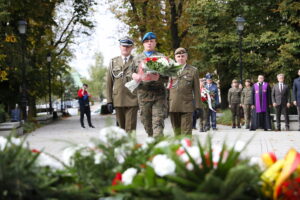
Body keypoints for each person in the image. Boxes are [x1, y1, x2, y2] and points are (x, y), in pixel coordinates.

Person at [134, 32, 168, 137]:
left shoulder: (162, 57)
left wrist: (159, 77)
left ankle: (158, 148)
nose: (149, 43)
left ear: (155, 43)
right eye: (147, 41)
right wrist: (133, 76)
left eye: (151, 41)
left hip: (159, 95)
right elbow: (128, 75)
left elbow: (168, 76)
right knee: (146, 123)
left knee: (157, 124)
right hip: (143, 96)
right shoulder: (136, 58)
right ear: (143, 44)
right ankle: (152, 142)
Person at [106, 36, 139, 133]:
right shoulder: (113, 62)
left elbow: (141, 81)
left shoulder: (136, 61)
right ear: (120, 47)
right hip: (118, 99)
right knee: (120, 130)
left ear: (132, 47)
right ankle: (122, 148)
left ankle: (130, 148)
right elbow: (109, 82)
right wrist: (109, 101)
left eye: (128, 46)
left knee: (130, 129)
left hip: (132, 99)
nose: (125, 48)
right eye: (123, 46)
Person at [168, 48, 201, 135]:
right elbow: (166, 89)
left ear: (186, 57)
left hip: (186, 106)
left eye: (183, 56)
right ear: (175, 57)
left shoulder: (193, 70)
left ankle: (186, 148)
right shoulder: (169, 70)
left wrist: (198, 106)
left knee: (186, 133)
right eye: (178, 56)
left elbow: (197, 89)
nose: (180, 58)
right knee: (177, 133)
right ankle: (178, 148)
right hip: (173, 105)